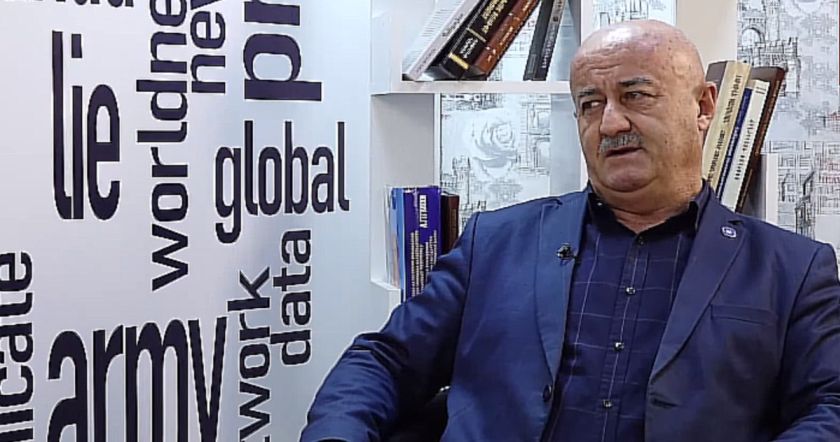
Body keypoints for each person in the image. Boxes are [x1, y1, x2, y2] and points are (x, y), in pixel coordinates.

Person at [301, 19, 840, 441]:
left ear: (703, 107)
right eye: (590, 104)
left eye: (635, 96)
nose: (610, 123)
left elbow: (829, 406)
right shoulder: (496, 242)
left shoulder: (791, 269)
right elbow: (385, 361)